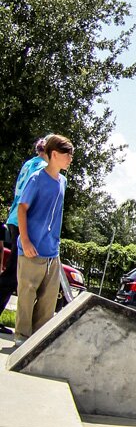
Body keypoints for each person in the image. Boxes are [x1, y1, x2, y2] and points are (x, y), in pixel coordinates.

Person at [14, 135, 73, 341]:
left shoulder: (63, 181)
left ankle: (37, 340)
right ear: (54, 154)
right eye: (68, 153)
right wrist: (26, 240)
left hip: (51, 250)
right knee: (27, 294)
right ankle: (22, 336)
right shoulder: (37, 178)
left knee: (48, 299)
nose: (71, 158)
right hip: (32, 247)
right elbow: (22, 209)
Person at [0, 136, 49, 332]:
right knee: (14, 274)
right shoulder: (41, 168)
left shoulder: (29, 163)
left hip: (14, 218)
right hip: (24, 221)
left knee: (15, 273)